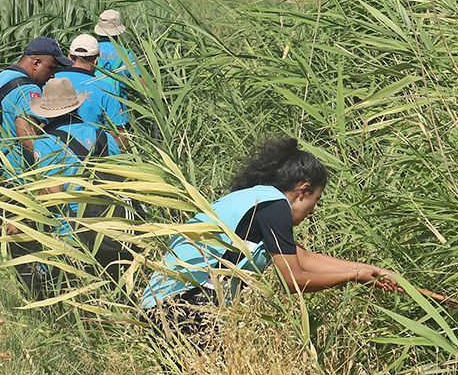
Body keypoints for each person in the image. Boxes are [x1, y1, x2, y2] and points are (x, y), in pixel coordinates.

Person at [142, 136, 398, 328]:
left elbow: (303, 258)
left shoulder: (255, 201)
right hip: (187, 301)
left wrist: (369, 270)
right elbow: (293, 278)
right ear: (302, 191)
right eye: (316, 200)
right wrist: (354, 276)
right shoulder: (274, 205)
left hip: (161, 304)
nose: (313, 211)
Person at [0, 36, 70, 318]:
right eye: (51, 68)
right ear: (35, 62)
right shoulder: (27, 89)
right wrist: (50, 163)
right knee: (26, 249)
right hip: (11, 181)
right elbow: (25, 134)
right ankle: (44, 312)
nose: (51, 76)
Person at [28, 76, 127, 282]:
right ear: (76, 106)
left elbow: (53, 192)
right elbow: (122, 174)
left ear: (46, 113)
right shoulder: (102, 134)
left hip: (71, 233)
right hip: (109, 226)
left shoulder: (46, 142)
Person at [51, 34, 129, 148]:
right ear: (96, 59)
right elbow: (119, 134)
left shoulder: (52, 80)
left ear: (69, 57)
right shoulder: (105, 88)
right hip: (92, 153)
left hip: (53, 149)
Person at [93, 9, 141, 94]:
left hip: (93, 97)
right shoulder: (127, 54)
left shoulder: (91, 50)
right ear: (118, 31)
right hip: (120, 101)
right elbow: (140, 82)